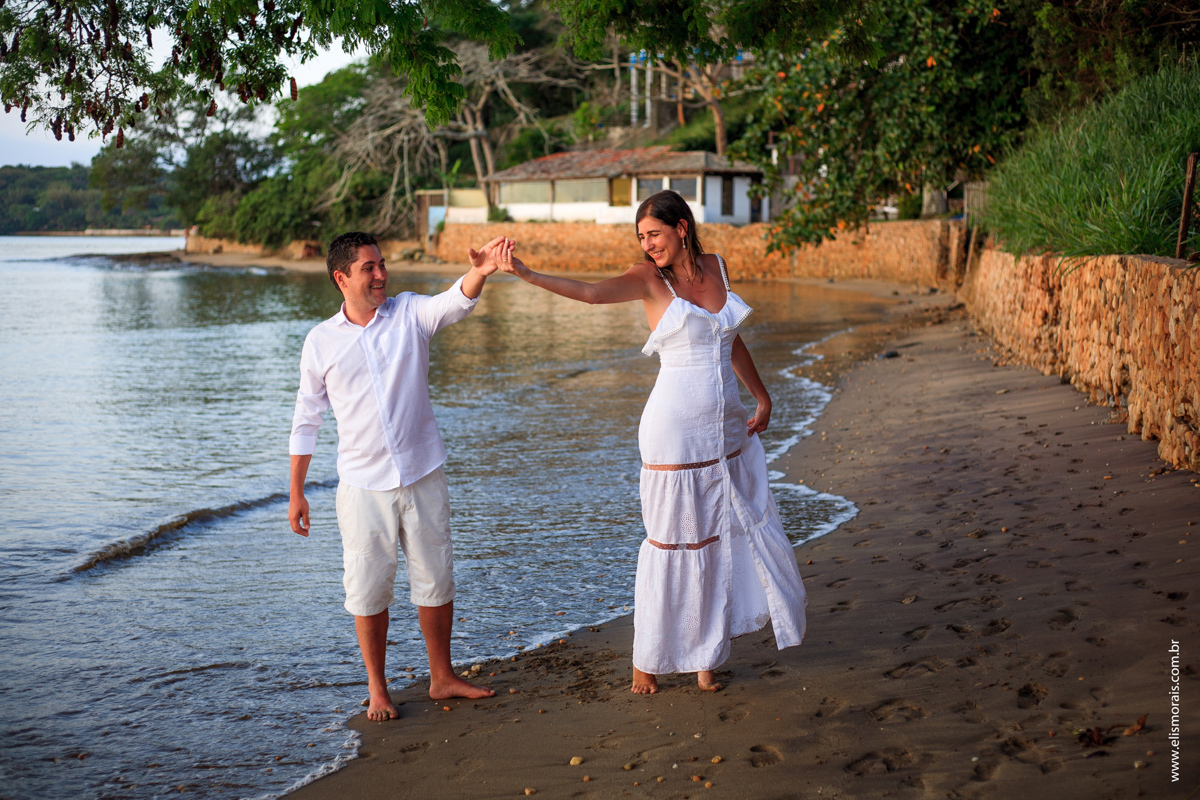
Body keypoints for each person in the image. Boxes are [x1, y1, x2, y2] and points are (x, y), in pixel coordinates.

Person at [495, 190, 808, 693]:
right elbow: (592, 293)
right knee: (673, 541)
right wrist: (527, 274)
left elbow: (731, 341)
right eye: (641, 237)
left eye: (654, 234)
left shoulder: (717, 267)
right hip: (673, 430)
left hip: (725, 425)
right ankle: (648, 657)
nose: (648, 244)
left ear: (682, 227)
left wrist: (762, 396)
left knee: (716, 539)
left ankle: (706, 656)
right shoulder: (648, 278)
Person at [288, 231, 503, 720]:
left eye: (382, 264)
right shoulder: (320, 342)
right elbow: (306, 419)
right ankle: (378, 687)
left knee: (436, 578)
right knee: (367, 588)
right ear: (342, 278)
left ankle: (442, 677)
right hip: (363, 486)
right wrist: (297, 492)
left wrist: (482, 270)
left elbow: (455, 302)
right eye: (370, 267)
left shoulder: (408, 313)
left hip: (423, 471)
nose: (382, 273)